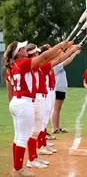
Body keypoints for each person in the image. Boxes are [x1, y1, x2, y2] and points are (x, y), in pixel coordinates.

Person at [3, 40, 73, 177]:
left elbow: (9, 91)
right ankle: (18, 169)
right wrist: (61, 46)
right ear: (18, 53)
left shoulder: (13, 65)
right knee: (23, 137)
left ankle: (18, 167)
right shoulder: (22, 63)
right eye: (22, 48)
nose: (24, 49)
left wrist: (64, 48)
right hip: (24, 102)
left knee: (19, 137)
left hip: (16, 102)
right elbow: (45, 57)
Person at [51, 46, 80, 134]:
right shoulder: (54, 65)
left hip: (60, 89)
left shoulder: (55, 64)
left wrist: (72, 49)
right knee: (56, 109)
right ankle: (54, 128)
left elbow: (65, 57)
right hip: (57, 89)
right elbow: (67, 61)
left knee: (58, 109)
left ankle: (57, 127)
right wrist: (75, 53)